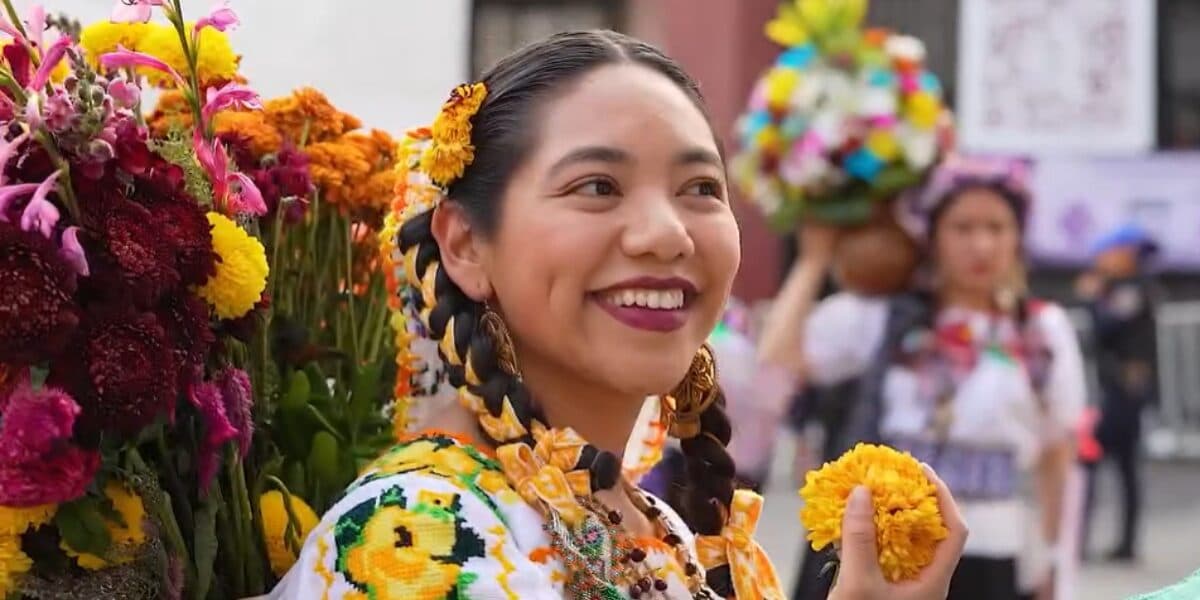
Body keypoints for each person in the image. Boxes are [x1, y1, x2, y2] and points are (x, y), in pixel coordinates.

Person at [271, 31, 967, 600]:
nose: (667, 234)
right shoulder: (419, 533)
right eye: (598, 186)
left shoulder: (656, 528)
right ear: (465, 245)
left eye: (701, 187)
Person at [760, 156, 1086, 600]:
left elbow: (1056, 456)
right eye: (962, 228)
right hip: (892, 556)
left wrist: (1052, 560)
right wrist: (813, 260)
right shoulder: (887, 318)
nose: (982, 245)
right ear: (932, 238)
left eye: (997, 228)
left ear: (1018, 238)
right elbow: (779, 357)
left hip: (995, 554)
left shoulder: (1042, 331)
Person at [1075, 223, 1161, 562]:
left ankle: (1090, 541)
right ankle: (1119, 543)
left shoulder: (1133, 289)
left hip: (1125, 393)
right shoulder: (1120, 288)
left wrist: (1092, 298)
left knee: (1092, 459)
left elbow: (1107, 327)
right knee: (1123, 467)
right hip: (1115, 388)